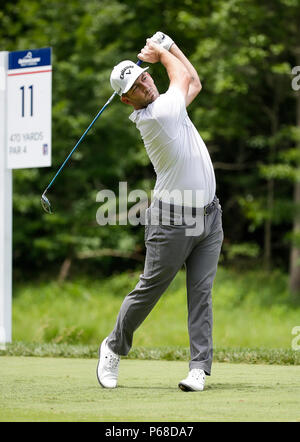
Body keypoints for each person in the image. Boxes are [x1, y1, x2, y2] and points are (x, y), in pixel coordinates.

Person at [97, 32, 223, 391]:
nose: (145, 84)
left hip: (209, 217)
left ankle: (199, 368)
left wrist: (171, 47)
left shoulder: (170, 105)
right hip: (171, 221)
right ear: (126, 100)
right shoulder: (156, 118)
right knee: (149, 290)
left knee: (201, 293)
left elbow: (193, 81)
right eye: (136, 86)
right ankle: (113, 346)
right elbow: (180, 77)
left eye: (144, 77)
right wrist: (162, 49)